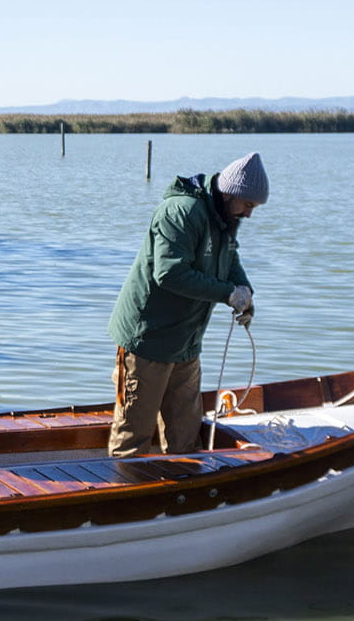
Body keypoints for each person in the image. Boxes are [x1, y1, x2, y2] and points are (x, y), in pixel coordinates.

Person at [106, 152, 267, 458]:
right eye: (248, 205)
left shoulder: (225, 217)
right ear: (231, 193)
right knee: (133, 437)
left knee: (185, 435)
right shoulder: (181, 211)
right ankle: (126, 497)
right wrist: (227, 294)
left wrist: (245, 293)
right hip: (147, 341)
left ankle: (182, 499)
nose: (249, 214)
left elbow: (230, 259)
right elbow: (169, 273)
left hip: (186, 344)